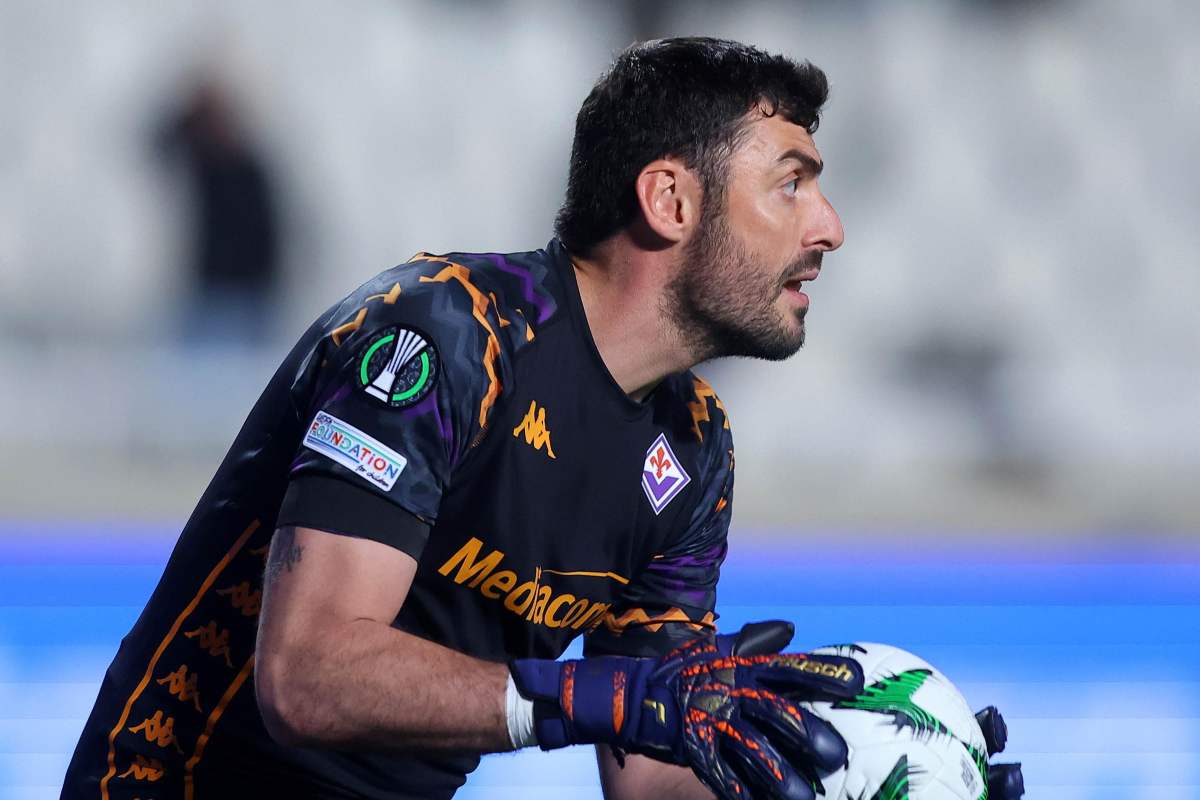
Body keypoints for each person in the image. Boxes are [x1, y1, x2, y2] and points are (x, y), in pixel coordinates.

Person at [62, 38, 1022, 800]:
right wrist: (579, 696)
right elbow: (307, 677)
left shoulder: (693, 450)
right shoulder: (446, 337)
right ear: (670, 200)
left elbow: (646, 775)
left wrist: (840, 770)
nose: (830, 226)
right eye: (792, 182)